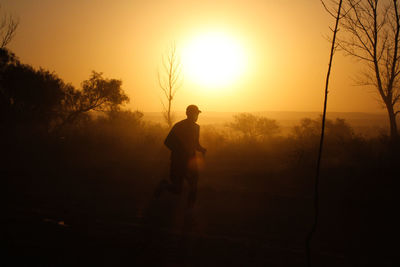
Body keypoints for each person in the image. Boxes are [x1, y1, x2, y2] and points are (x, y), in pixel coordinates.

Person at [155, 104, 206, 208]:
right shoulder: (179, 126)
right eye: (195, 113)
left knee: (194, 185)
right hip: (178, 162)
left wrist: (201, 149)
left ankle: (190, 211)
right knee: (177, 189)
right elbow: (167, 142)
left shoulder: (197, 128)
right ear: (188, 114)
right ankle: (164, 185)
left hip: (191, 161)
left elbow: (195, 144)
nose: (196, 116)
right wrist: (180, 151)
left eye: (197, 114)